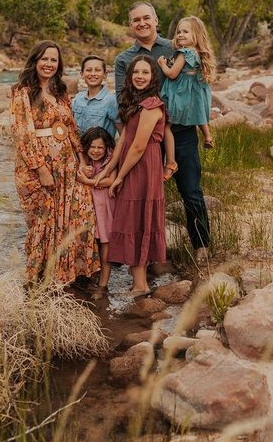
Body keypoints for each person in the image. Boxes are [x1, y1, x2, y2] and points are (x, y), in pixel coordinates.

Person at [114, 2, 210, 263]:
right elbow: (122, 98)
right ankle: (149, 255)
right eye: (136, 20)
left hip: (181, 131)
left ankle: (201, 246)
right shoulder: (123, 60)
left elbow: (200, 77)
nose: (142, 23)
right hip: (144, 136)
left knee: (190, 189)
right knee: (143, 195)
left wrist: (203, 120)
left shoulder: (177, 47)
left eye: (147, 18)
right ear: (130, 25)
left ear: (156, 20)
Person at [11, 40, 100, 285]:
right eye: (45, 59)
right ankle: (37, 279)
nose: (49, 64)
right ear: (35, 61)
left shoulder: (60, 90)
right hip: (36, 166)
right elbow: (23, 133)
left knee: (79, 210)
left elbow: (70, 127)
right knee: (44, 221)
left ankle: (68, 273)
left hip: (66, 163)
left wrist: (81, 159)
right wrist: (40, 168)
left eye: (54, 60)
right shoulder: (23, 91)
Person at [96, 55, 166, 296]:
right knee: (132, 217)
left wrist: (119, 177)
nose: (140, 76)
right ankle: (138, 281)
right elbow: (123, 140)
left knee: (138, 217)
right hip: (130, 163)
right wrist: (107, 169)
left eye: (146, 73)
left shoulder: (152, 105)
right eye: (136, 72)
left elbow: (137, 147)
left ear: (153, 77)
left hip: (143, 167)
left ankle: (140, 285)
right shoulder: (134, 102)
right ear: (130, 75)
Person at [158, 16, 216, 157]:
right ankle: (208, 136)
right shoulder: (198, 52)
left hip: (181, 93)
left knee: (167, 125)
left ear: (196, 34)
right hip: (194, 92)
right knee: (199, 113)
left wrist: (162, 64)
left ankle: (169, 160)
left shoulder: (185, 53)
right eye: (179, 32)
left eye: (185, 32)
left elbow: (172, 74)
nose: (180, 35)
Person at [77, 127, 117, 296]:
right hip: (90, 209)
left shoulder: (110, 161)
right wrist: (82, 164)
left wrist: (87, 181)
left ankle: (102, 285)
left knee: (105, 245)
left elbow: (111, 180)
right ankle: (90, 277)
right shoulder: (85, 163)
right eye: (92, 147)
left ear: (107, 147)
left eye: (100, 147)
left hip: (106, 209)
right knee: (91, 244)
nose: (95, 151)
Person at [71, 55, 119, 138]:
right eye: (89, 70)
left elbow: (123, 133)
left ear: (105, 74)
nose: (93, 74)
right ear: (82, 74)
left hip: (101, 150)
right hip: (77, 149)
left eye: (97, 70)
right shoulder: (77, 99)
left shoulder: (111, 100)